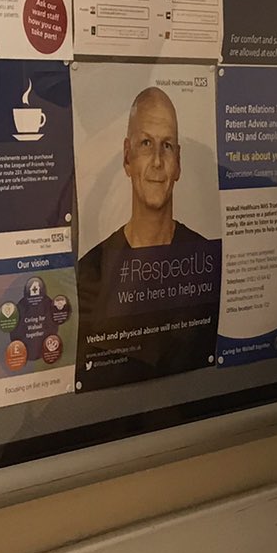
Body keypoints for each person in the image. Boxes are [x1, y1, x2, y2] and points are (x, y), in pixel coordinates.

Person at [74, 86, 218, 382]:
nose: (156, 161)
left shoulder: (205, 261)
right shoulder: (92, 272)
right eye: (145, 144)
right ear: (127, 158)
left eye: (166, 146)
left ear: (178, 162)